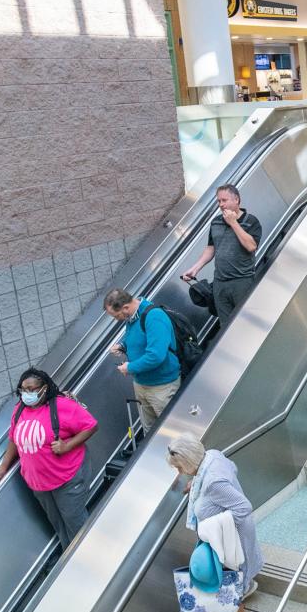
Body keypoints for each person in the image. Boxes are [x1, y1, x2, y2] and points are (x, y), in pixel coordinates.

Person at [167, 434, 264, 612]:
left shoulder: (213, 483)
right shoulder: (212, 457)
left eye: (180, 468)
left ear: (190, 461)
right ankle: (246, 584)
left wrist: (212, 527)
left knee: (224, 587)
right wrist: (196, 485)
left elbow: (243, 507)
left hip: (228, 542)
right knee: (237, 576)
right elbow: (232, 468)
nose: (180, 473)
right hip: (231, 537)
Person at [0, 368, 98, 549]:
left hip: (67, 478)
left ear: (45, 388)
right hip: (38, 482)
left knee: (76, 524)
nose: (27, 394)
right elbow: (14, 438)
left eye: (32, 389)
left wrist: (66, 446)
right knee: (58, 523)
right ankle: (68, 558)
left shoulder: (61, 405)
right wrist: (4, 465)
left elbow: (90, 426)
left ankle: (88, 558)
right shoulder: (19, 409)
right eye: (23, 389)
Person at [181, 184, 262, 327]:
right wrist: (195, 268)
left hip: (242, 281)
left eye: (224, 200)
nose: (221, 205)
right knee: (226, 327)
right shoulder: (216, 222)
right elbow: (211, 248)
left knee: (247, 324)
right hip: (220, 283)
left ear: (236, 199)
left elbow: (251, 246)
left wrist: (234, 223)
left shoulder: (251, 221)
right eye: (219, 201)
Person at [104, 288, 181, 433]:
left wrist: (130, 368)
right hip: (142, 384)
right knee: (150, 431)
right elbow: (135, 336)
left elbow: (156, 356)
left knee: (172, 432)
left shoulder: (154, 316)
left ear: (125, 307)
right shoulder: (132, 318)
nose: (116, 319)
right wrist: (122, 345)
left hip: (162, 386)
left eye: (116, 315)